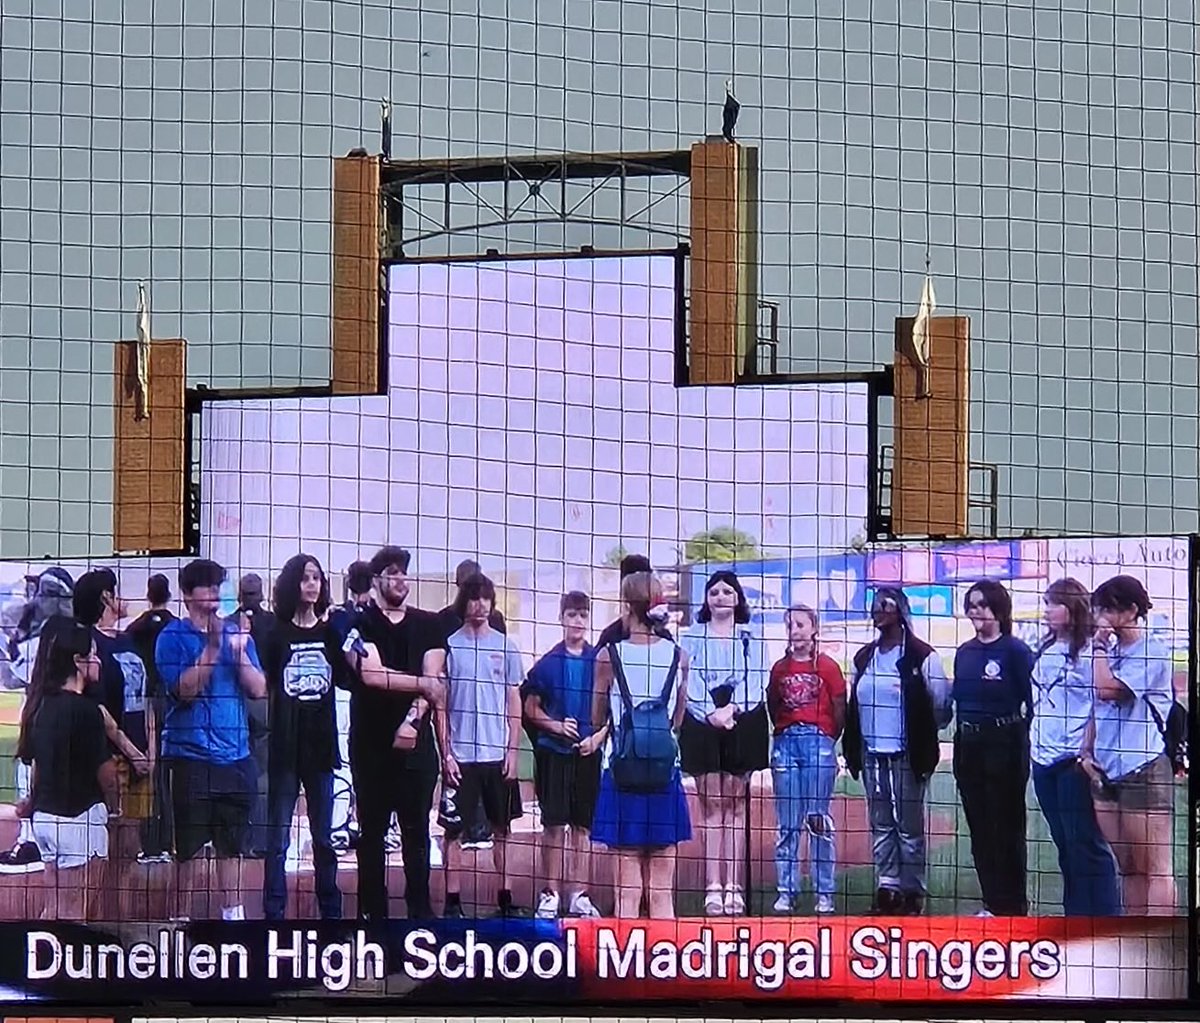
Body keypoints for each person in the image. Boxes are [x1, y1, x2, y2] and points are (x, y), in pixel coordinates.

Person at [336, 546, 446, 921]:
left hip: (416, 747)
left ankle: (419, 914)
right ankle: (373, 915)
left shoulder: (429, 624)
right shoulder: (357, 623)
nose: (400, 579)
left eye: (405, 573)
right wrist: (422, 686)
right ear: (378, 578)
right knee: (372, 833)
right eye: (393, 572)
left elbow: (436, 681)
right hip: (371, 746)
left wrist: (412, 720)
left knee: (417, 834)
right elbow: (372, 674)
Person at [155, 558, 266, 920]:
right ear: (187, 595)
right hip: (190, 760)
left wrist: (238, 655)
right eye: (205, 586)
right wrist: (214, 648)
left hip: (236, 759)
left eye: (217, 585)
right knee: (186, 850)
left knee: (231, 846)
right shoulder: (171, 638)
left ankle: (232, 921)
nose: (214, 592)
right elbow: (184, 691)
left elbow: (259, 689)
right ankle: (178, 923)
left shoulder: (237, 635)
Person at [842, 586, 951, 915]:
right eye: (874, 606)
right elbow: (854, 705)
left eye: (884, 605)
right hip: (872, 752)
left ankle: (913, 890)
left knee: (909, 824)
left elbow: (941, 705)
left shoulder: (922, 656)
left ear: (901, 611)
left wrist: (922, 734)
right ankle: (887, 887)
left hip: (908, 754)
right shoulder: (864, 657)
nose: (877, 611)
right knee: (881, 823)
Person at [591, 571, 691, 919]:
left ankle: (626, 971)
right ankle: (667, 969)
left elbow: (596, 715)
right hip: (665, 773)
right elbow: (678, 719)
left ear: (625, 606)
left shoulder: (608, 656)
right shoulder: (680, 655)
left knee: (627, 896)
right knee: (662, 895)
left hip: (621, 773)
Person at [431, 573, 525, 917]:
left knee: (503, 829)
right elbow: (439, 705)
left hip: (497, 754)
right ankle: (453, 902)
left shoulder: (505, 646)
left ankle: (505, 898)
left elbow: (513, 701)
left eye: (486, 598)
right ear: (463, 602)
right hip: (462, 757)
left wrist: (513, 752)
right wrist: (447, 754)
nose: (481, 605)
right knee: (452, 831)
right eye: (474, 598)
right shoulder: (449, 647)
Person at [259, 554, 345, 920]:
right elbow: (262, 685)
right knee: (277, 840)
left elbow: (346, 676)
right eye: (306, 577)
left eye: (318, 578)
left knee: (324, 839)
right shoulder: (274, 633)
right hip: (284, 748)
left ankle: (331, 914)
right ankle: (273, 915)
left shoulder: (330, 633)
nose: (313, 584)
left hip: (321, 748)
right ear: (292, 582)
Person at [678, 569, 769, 916]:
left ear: (737, 598)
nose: (719, 597)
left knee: (735, 805)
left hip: (741, 721)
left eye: (726, 592)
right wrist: (710, 713)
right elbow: (687, 680)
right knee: (711, 804)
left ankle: (734, 886)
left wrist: (732, 708)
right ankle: (712, 886)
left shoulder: (751, 636)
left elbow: (756, 677)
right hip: (702, 723)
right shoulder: (691, 636)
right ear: (706, 599)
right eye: (713, 592)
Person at [1029, 578, 1120, 917]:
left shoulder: (1089, 653)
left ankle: (1106, 920)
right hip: (1043, 759)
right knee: (1065, 846)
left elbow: (1102, 703)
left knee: (1087, 845)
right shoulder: (1046, 647)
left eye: (1053, 603)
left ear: (1072, 608)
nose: (1047, 610)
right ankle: (1076, 919)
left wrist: (1087, 753)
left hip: (1073, 762)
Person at [16, 617, 117, 920]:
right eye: (94, 654)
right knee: (75, 914)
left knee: (55, 909)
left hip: (45, 820)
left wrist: (32, 804)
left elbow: (35, 769)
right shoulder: (87, 711)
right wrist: (115, 808)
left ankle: (37, 964)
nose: (98, 659)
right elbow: (107, 774)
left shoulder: (37, 706)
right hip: (79, 821)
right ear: (78, 661)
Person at [1088, 575, 1177, 916]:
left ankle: (1159, 944)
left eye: (1109, 608)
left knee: (1155, 866)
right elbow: (1095, 709)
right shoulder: (1108, 651)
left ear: (1132, 610)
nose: (1102, 616)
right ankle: (1134, 937)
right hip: (1107, 771)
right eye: (1100, 608)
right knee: (1127, 866)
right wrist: (1086, 752)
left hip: (1143, 768)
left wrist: (1097, 646)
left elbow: (1107, 690)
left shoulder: (1151, 650)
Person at [72, 568, 155, 916]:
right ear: (105, 597)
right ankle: (103, 920)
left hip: (141, 757)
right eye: (116, 592)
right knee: (108, 848)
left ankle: (119, 918)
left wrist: (152, 748)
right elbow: (100, 709)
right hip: (114, 758)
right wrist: (133, 752)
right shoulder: (89, 642)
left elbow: (149, 697)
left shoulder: (128, 640)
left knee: (130, 848)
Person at [951, 580, 1035, 916]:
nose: (974, 611)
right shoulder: (965, 652)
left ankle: (1013, 906)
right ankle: (991, 901)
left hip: (1005, 745)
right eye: (970, 605)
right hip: (968, 745)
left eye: (981, 605)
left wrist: (1015, 738)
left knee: (1008, 827)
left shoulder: (1015, 651)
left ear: (998, 609)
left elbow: (1034, 703)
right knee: (980, 827)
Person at [523, 591, 605, 919]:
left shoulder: (599, 660)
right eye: (572, 615)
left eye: (583, 616)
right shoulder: (547, 663)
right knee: (554, 825)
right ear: (561, 619)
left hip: (588, 755)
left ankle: (579, 895)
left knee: (582, 827)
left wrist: (596, 739)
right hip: (553, 754)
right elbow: (530, 708)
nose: (577, 622)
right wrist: (556, 727)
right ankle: (550, 893)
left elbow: (613, 710)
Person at [767, 604, 846, 915]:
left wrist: (828, 738)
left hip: (818, 742)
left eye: (800, 624)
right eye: (790, 625)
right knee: (787, 823)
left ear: (814, 629)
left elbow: (840, 706)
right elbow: (773, 704)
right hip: (786, 742)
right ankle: (786, 890)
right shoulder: (779, 669)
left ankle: (824, 891)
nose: (795, 630)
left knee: (817, 820)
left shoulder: (827, 667)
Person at [0, 567, 74, 872]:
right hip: (41, 713)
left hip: (46, 715)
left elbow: (14, 676)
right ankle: (31, 840)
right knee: (28, 771)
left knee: (34, 773)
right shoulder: (46, 633)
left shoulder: (51, 638)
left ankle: (35, 843)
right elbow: (12, 679)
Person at [437, 558, 506, 851]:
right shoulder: (445, 621)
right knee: (456, 806)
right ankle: (468, 827)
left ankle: (480, 827)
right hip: (459, 726)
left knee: (499, 815)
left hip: (492, 734)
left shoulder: (497, 624)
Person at [124, 573, 177, 861]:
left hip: (144, 703)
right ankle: (170, 841)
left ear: (148, 594)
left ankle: (148, 842)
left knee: (146, 774)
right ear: (168, 594)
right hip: (172, 701)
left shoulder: (134, 628)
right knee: (169, 774)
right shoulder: (176, 627)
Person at [329, 561, 373, 852]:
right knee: (373, 762)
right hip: (372, 697)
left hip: (342, 696)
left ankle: (338, 829)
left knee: (343, 763)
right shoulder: (377, 617)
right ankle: (380, 829)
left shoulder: (338, 617)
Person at [237, 573, 275, 859]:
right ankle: (260, 840)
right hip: (263, 702)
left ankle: (240, 839)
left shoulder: (228, 624)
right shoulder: (273, 623)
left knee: (237, 772)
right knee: (262, 775)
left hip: (235, 704)